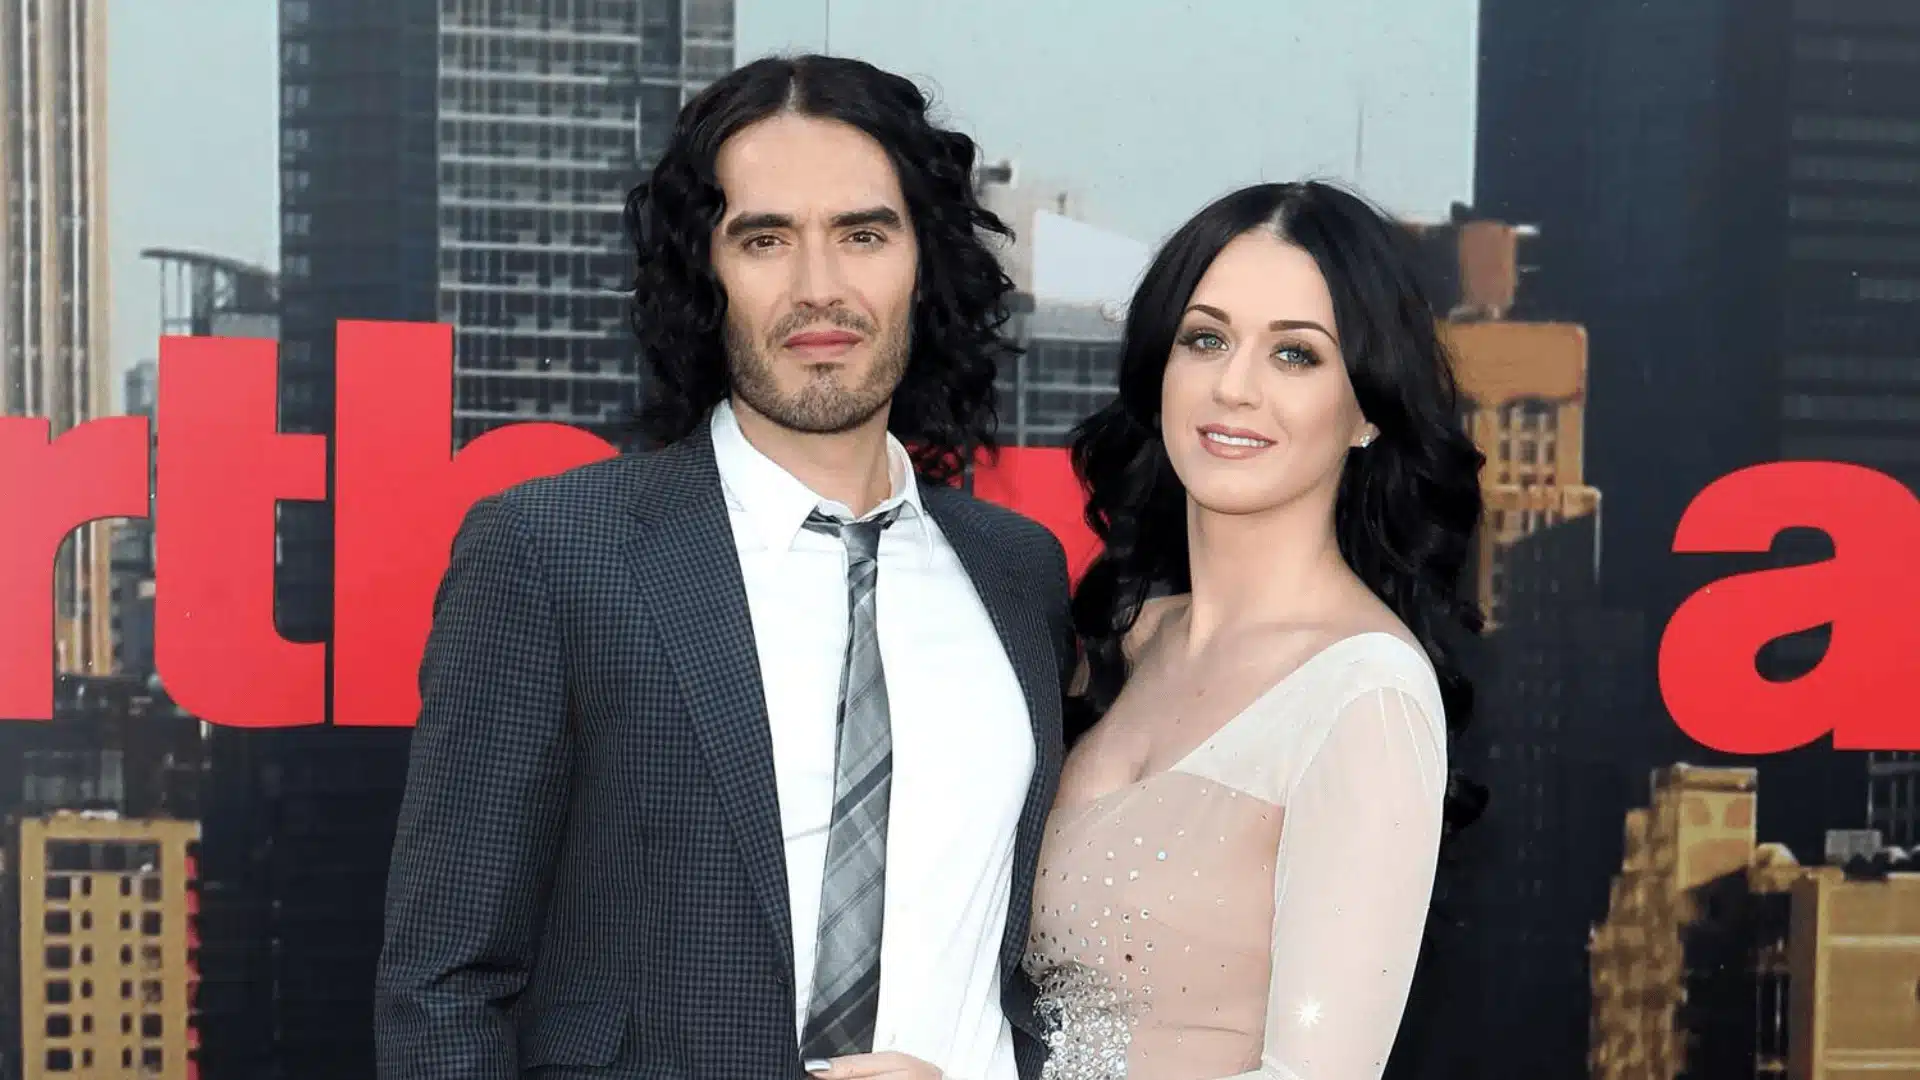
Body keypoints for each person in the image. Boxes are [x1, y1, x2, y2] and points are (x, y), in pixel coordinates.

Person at [374, 55, 1075, 1080]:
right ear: (706, 272)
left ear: (926, 262)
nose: (819, 287)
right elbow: (444, 989)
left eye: (864, 234)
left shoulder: (1019, 574)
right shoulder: (551, 555)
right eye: (765, 239)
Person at [1023, 181, 1487, 1080]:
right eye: (1207, 339)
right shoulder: (1124, 641)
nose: (1234, 387)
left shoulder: (1366, 695)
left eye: (1296, 356)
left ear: (1367, 412)